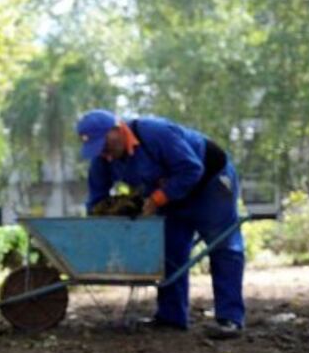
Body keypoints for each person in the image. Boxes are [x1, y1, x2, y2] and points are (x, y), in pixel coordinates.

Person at [76, 109, 245, 339]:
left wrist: (156, 200)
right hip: (170, 194)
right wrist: (102, 224)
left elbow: (191, 169)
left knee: (222, 246)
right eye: (96, 149)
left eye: (103, 145)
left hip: (210, 182)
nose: (103, 154)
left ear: (117, 129)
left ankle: (230, 318)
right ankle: (171, 317)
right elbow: (96, 200)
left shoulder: (155, 132)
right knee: (169, 250)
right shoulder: (104, 159)